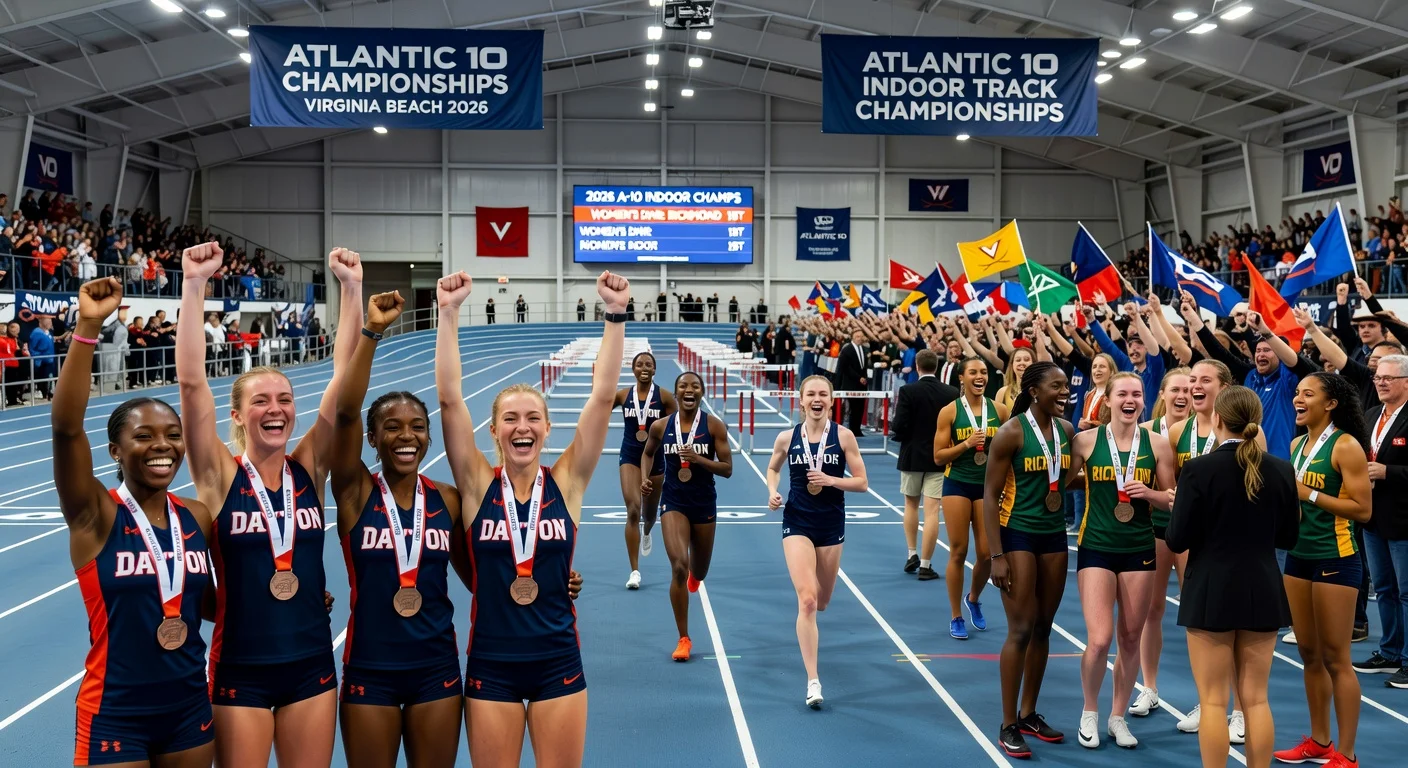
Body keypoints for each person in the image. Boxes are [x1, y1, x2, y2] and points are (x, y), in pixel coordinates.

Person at [177, 243, 362, 767]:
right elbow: (191, 385)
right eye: (260, 401)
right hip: (241, 666)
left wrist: (350, 290)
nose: (275, 409)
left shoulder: (309, 468)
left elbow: (343, 383)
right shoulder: (218, 475)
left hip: (310, 664)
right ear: (237, 417)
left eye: (284, 400)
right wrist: (194, 286)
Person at [434, 269, 627, 767]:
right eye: (511, 420)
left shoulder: (567, 483)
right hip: (491, 665)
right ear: (494, 430)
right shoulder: (478, 485)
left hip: (557, 659)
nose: (523, 427)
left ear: (547, 427)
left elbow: (602, 397)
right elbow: (450, 399)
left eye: (533, 418)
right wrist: (448, 314)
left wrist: (615, 315)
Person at [54, 277, 216, 767]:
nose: (163, 446)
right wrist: (88, 326)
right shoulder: (95, 515)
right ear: (115, 452)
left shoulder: (197, 516)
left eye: (172, 435)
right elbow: (65, 428)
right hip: (116, 712)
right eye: (144, 436)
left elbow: (205, 604)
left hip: (190, 707)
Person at [328, 290, 464, 766]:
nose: (407, 436)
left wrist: (551, 582)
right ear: (372, 438)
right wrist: (372, 332)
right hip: (370, 668)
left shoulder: (447, 499)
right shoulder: (353, 492)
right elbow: (344, 413)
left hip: (436, 669)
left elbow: (483, 576)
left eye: (417, 426)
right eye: (392, 427)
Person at [1167, 386, 1297, 768]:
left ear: (1218, 420)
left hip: (1210, 589)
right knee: (1256, 698)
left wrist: (1180, 508)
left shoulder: (1199, 469)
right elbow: (1289, 538)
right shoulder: (1281, 469)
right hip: (1263, 588)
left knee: (1212, 700)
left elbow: (1177, 538)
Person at [1065, 372, 1176, 749]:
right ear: (1108, 400)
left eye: (1137, 394)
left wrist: (1149, 493)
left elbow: (1172, 498)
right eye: (1123, 394)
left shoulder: (1158, 444)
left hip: (1140, 548)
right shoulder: (1084, 442)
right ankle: (1089, 712)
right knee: (1099, 640)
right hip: (1096, 546)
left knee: (1130, 637)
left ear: (1144, 400)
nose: (1131, 400)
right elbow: (1061, 482)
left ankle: (1117, 716)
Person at [1274, 373, 1372, 768]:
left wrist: (1309, 493)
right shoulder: (1298, 444)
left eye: (1307, 394)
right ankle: (1319, 741)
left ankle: (1346, 755)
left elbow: (1363, 511)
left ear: (1330, 404)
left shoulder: (1346, 446)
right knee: (1308, 653)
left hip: (1337, 558)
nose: (1298, 399)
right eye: (1297, 393)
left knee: (1336, 657)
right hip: (1298, 557)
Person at [983, 361, 1073, 759]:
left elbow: (1064, 478)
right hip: (1016, 534)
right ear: (1034, 391)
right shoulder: (1011, 432)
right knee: (1020, 629)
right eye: (1056, 386)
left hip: (1054, 536)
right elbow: (989, 496)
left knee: (1043, 628)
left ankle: (1030, 712)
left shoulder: (1068, 432)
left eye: (1067, 386)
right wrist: (995, 555)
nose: (1064, 392)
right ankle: (1007, 724)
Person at [766, 375, 868, 708]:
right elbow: (772, 468)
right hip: (796, 522)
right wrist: (772, 492)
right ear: (801, 400)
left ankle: (812, 625)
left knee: (822, 601)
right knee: (807, 601)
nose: (817, 399)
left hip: (830, 526)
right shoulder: (786, 437)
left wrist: (830, 480)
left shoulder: (844, 436)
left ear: (831, 399)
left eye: (823, 393)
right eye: (811, 393)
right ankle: (813, 680)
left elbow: (863, 482)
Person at [641, 371, 733, 662]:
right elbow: (647, 453)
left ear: (702, 393)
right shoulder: (660, 426)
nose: (689, 390)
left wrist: (699, 460)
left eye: (695, 386)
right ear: (676, 393)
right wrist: (645, 477)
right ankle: (684, 638)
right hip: (673, 502)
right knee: (679, 566)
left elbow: (727, 468)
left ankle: (697, 576)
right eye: (683, 386)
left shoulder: (714, 426)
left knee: (699, 571)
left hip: (704, 504)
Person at [1132, 366, 1193, 717]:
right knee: (1150, 610)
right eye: (1176, 390)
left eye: (1188, 389)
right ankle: (1149, 687)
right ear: (1163, 395)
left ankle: (1205, 697)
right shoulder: (1143, 432)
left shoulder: (1205, 431)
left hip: (1191, 532)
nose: (1182, 395)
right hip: (1152, 528)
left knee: (1196, 613)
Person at [934, 357, 1007, 639]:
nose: (980, 377)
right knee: (958, 550)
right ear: (961, 378)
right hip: (958, 484)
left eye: (984, 372)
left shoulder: (999, 410)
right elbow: (938, 456)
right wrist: (965, 444)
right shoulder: (949, 412)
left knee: (988, 553)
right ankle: (956, 616)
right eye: (973, 372)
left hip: (988, 487)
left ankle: (973, 598)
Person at [1354, 354, 1408, 688]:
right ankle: (1390, 651)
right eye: (1377, 378)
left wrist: (1389, 472)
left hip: (1404, 521)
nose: (1381, 382)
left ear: (1406, 382)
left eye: (1388, 378)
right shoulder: (1371, 415)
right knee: (1385, 589)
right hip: (1373, 519)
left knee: (1407, 593)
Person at [891, 349, 959, 579]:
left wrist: (903, 437)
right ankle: (926, 565)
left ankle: (912, 553)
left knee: (910, 506)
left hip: (911, 456)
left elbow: (899, 425)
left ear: (918, 367)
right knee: (932, 512)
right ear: (937, 367)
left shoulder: (908, 390)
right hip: (940, 457)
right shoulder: (951, 392)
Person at [613, 352, 676, 589]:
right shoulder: (623, 395)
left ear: (655, 370)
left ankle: (648, 531)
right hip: (629, 456)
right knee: (632, 510)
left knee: (649, 515)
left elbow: (676, 427)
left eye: (649, 364)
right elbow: (599, 407)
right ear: (633, 369)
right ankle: (635, 571)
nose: (644, 368)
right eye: (639, 364)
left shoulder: (665, 397)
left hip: (655, 459)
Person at [836, 330, 869, 434]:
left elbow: (864, 366)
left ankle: (857, 429)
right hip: (851, 383)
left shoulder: (864, 349)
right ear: (853, 338)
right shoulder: (847, 350)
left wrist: (864, 378)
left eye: (861, 336)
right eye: (857, 336)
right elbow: (846, 368)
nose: (860, 338)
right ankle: (852, 429)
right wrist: (858, 377)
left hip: (862, 384)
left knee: (860, 407)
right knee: (854, 407)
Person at [994, 346, 1035, 411]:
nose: (1022, 363)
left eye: (1026, 360)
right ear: (1012, 365)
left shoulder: (1041, 391)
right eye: (1018, 360)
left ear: (1034, 364)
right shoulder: (1003, 392)